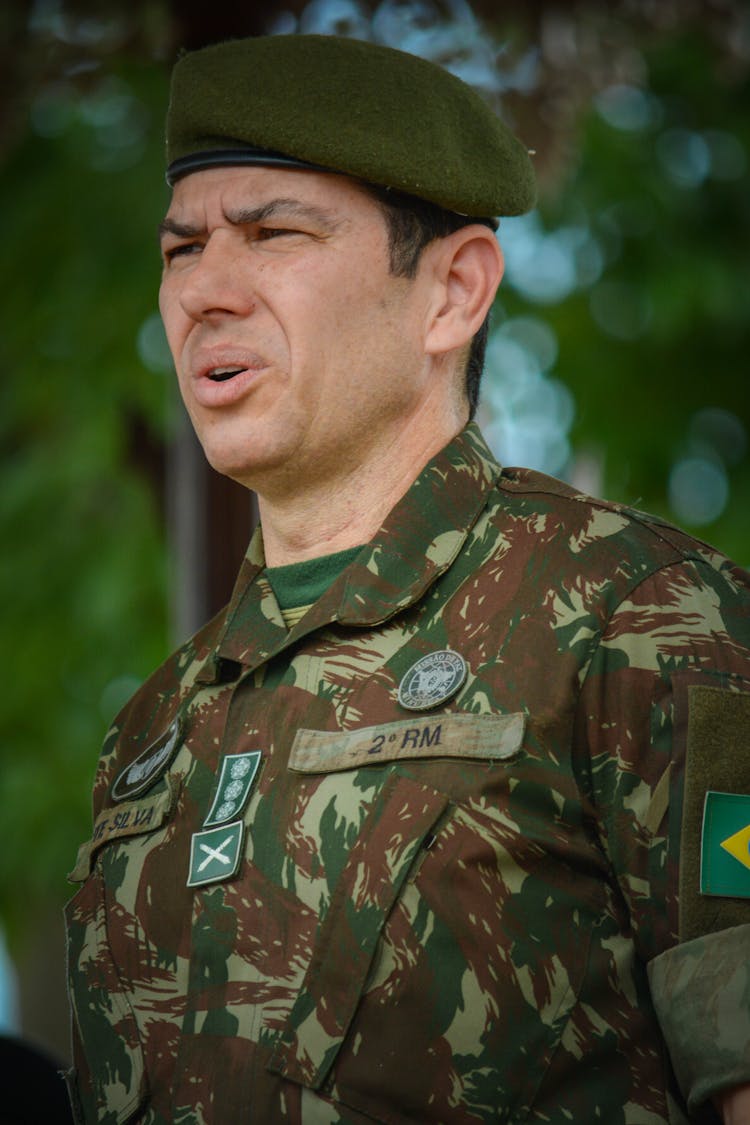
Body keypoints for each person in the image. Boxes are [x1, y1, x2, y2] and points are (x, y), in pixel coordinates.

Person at [64, 33, 750, 1125]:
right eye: (182, 248)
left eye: (274, 232)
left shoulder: (640, 617)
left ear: (453, 293)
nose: (204, 292)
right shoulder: (159, 726)